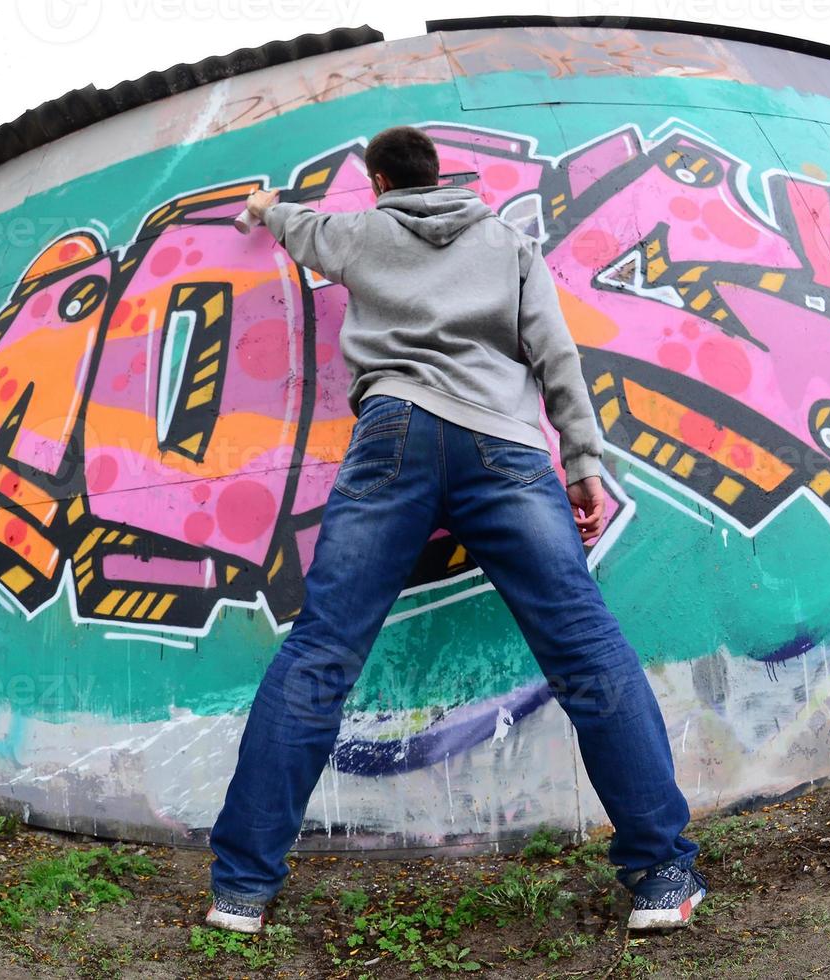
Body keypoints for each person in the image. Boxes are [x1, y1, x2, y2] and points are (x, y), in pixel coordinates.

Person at [204, 125, 703, 935]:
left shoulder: (361, 232)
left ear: (378, 179)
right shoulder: (507, 240)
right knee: (584, 646)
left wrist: (261, 205)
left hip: (392, 434)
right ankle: (661, 877)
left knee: (322, 650)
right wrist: (581, 462)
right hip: (503, 445)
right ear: (443, 176)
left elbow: (294, 224)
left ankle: (241, 892)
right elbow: (555, 354)